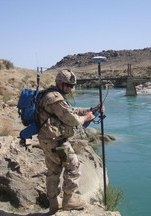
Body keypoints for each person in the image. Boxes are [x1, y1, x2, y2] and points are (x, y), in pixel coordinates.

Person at [36, 69, 101, 214]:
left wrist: (90, 109)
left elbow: (71, 110)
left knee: (53, 172)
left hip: (47, 140)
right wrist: (87, 118)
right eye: (67, 85)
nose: (70, 89)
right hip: (57, 142)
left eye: (72, 86)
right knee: (73, 167)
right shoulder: (55, 98)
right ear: (59, 83)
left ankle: (54, 204)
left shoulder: (51, 94)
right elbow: (72, 120)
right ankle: (68, 200)